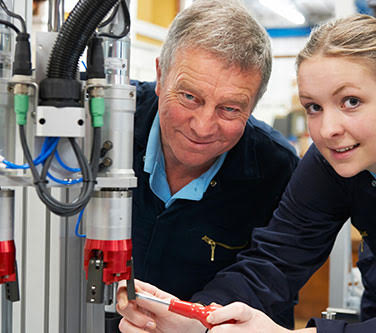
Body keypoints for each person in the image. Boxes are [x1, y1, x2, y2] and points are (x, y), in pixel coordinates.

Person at [117, 14, 376, 333]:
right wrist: (198, 317)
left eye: (350, 102)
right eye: (314, 107)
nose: (327, 129)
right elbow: (273, 263)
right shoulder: (331, 162)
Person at [127, 0, 299, 329]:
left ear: (254, 105)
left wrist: (198, 322)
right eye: (190, 97)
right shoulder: (105, 121)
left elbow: (273, 280)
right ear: (161, 75)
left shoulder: (276, 169)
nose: (203, 126)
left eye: (230, 109)